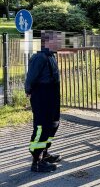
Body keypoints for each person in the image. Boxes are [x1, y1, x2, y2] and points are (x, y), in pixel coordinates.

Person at [25, 31, 63, 172]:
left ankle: (45, 153)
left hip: (52, 97)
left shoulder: (51, 56)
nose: (59, 43)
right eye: (56, 41)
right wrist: (28, 91)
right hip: (42, 97)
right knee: (41, 127)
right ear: (47, 42)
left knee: (53, 124)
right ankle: (36, 161)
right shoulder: (39, 58)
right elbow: (30, 79)